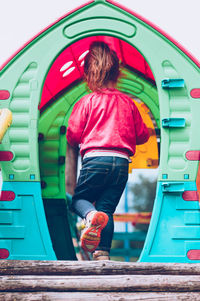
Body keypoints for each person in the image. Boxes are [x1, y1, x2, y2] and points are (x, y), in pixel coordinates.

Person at [66, 41, 149, 260]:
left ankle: (91, 216)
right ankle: (102, 255)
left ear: (88, 75)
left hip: (95, 159)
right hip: (121, 163)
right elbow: (142, 135)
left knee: (78, 201)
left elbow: (73, 135)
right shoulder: (128, 103)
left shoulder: (87, 101)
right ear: (117, 73)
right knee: (107, 209)